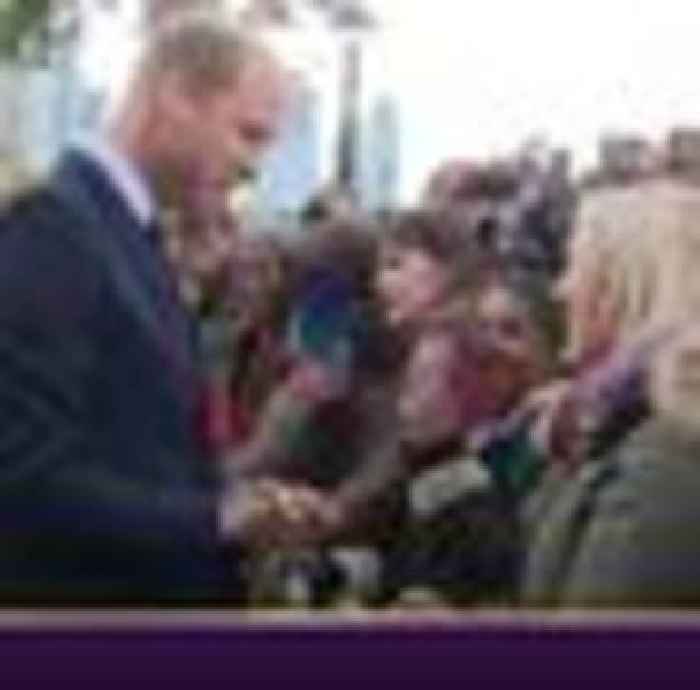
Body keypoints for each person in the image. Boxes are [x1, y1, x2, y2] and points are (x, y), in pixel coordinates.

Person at [0, 13, 319, 605]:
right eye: (248, 134)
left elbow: (135, 449)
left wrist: (232, 501)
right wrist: (214, 522)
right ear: (174, 97)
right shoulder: (51, 230)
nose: (254, 167)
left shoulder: (119, 232)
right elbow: (23, 479)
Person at [522, 180, 700, 608]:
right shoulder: (609, 423)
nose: (559, 290)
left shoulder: (660, 465)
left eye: (574, 268)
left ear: (625, 287)